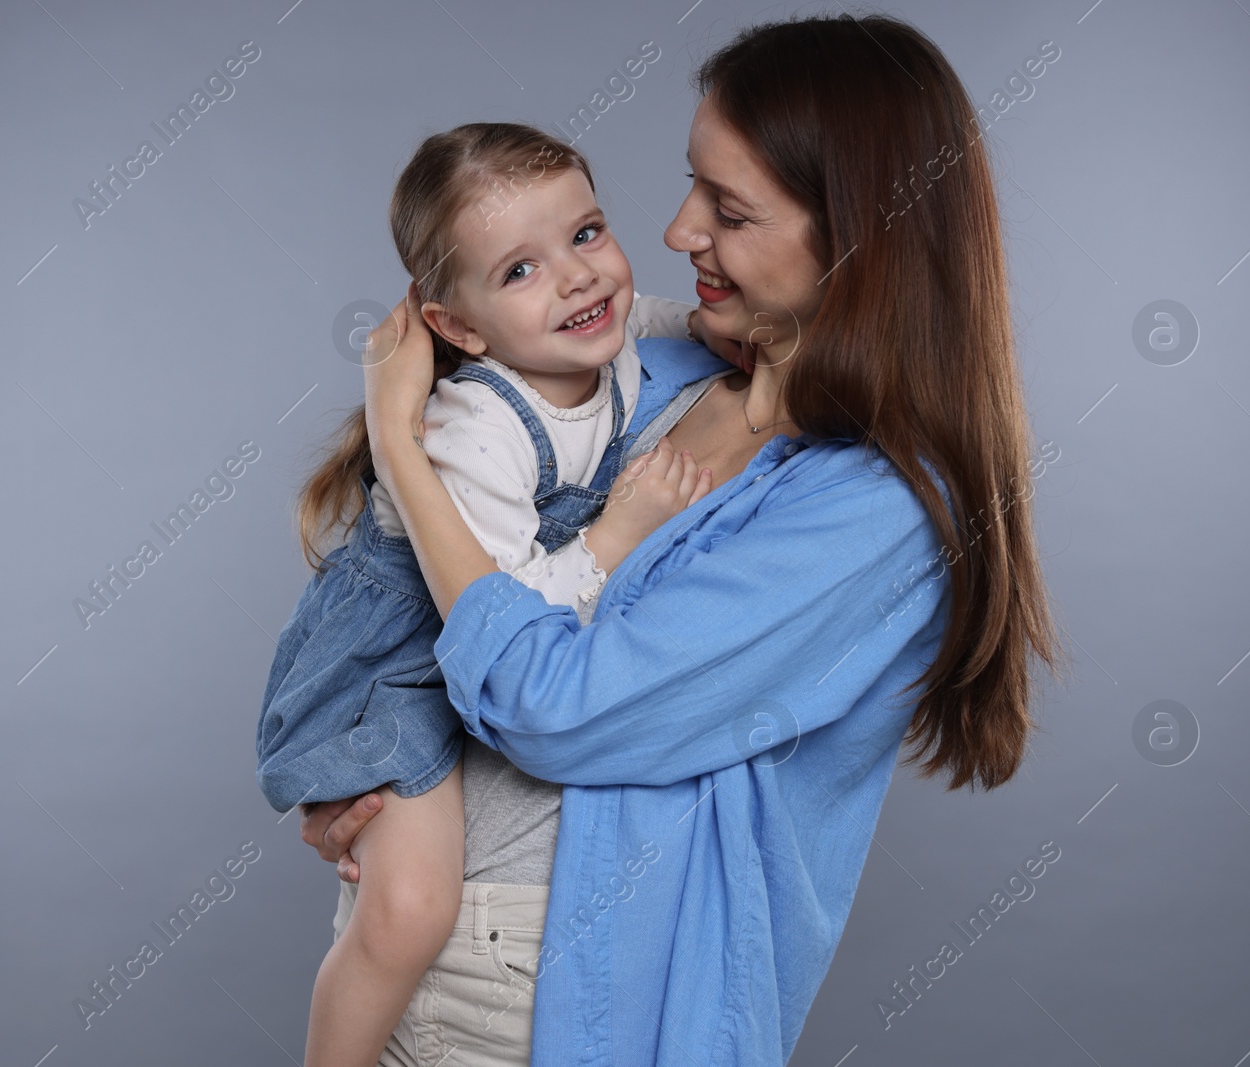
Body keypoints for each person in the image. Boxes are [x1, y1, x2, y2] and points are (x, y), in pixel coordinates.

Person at [303, 12, 1066, 1066]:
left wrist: (398, 440)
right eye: (689, 184)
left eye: (730, 209)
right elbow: (425, 574)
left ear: (856, 239)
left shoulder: (874, 514)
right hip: (415, 934)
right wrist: (360, 754)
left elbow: (552, 708)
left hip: (547, 981)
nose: (675, 229)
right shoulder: (669, 363)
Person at [255, 122, 731, 1067]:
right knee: (411, 906)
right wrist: (614, 536)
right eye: (520, 269)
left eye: (587, 233)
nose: (577, 277)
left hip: (461, 648)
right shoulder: (478, 429)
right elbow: (504, 619)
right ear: (459, 329)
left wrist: (762, 328)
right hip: (398, 664)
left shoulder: (613, 335)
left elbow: (683, 319)